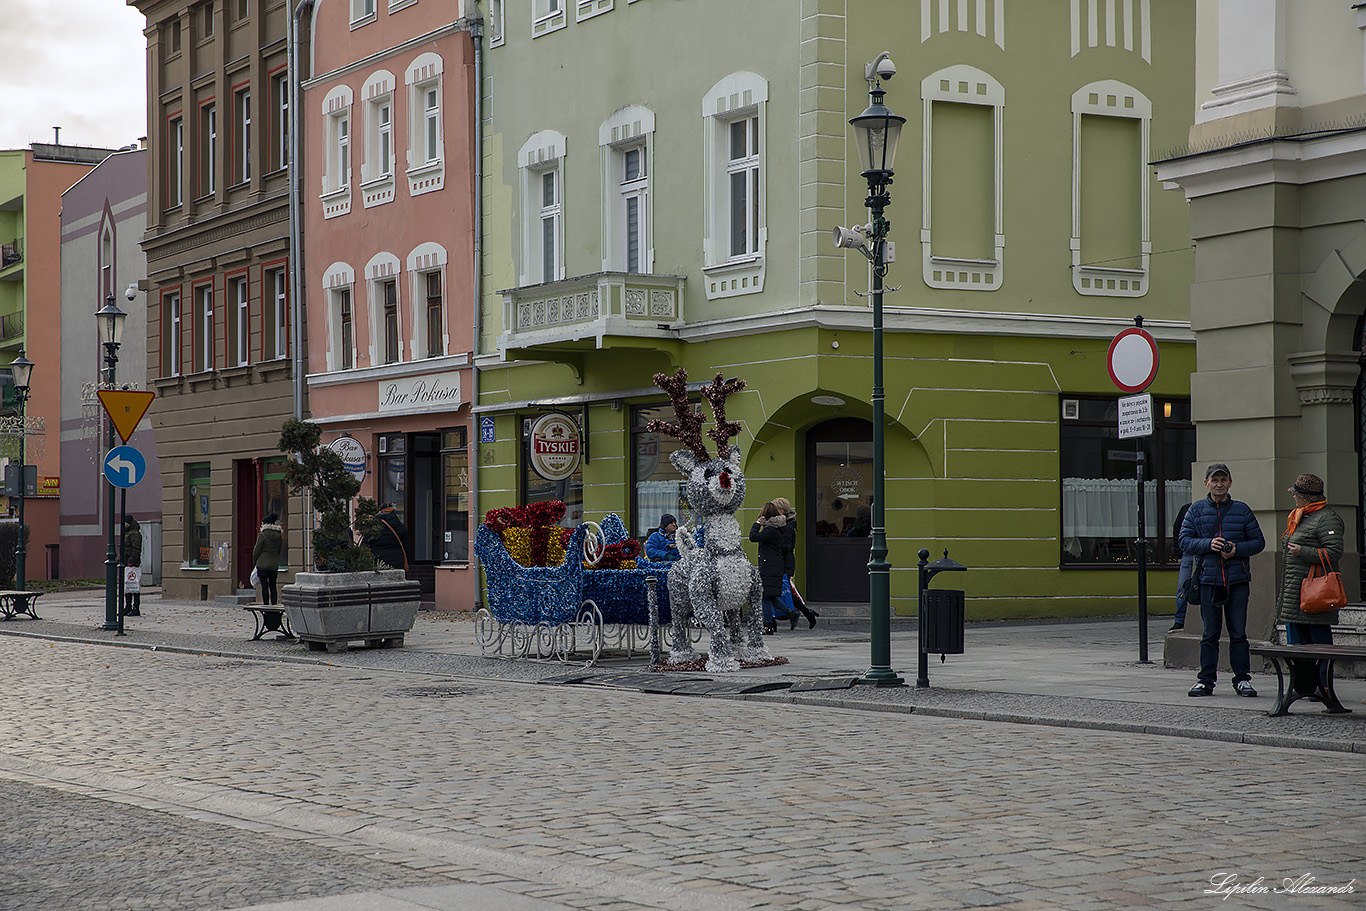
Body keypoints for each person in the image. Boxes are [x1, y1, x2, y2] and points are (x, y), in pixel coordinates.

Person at [1178, 463, 1266, 698]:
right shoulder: (1195, 510)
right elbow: (1184, 541)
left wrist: (1236, 549)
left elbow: (1258, 542)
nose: (1219, 484)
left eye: (1223, 480)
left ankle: (1242, 680)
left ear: (1230, 483)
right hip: (1208, 580)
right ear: (1206, 483)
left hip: (1237, 581)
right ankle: (1205, 681)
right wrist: (1208, 544)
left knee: (1238, 633)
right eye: (1214, 480)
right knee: (1210, 634)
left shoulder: (1242, 510)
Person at [1275, 473, 1344, 696]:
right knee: (1300, 644)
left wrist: (1303, 551)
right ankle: (1304, 686)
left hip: (1316, 592)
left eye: (1295, 494)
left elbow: (1334, 552)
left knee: (1319, 641)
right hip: (1297, 590)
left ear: (1305, 497)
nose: (1293, 498)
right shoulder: (1301, 515)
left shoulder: (1327, 518)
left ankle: (1323, 685)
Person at [772, 497, 817, 629]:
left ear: (780, 511)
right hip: (784, 562)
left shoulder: (786, 527)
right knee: (784, 591)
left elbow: (786, 546)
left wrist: (774, 545)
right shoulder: (785, 525)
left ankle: (790, 615)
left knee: (782, 591)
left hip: (784, 563)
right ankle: (807, 613)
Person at [750, 501, 794, 635]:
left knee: (765, 596)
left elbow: (753, 537)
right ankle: (790, 614)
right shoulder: (776, 528)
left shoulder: (770, 530)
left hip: (770, 567)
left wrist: (757, 524)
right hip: (772, 566)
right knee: (769, 596)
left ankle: (768, 626)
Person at [1169, 501, 1194, 632]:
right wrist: (1179, 554)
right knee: (1183, 587)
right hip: (1188, 552)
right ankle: (1180, 620)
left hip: (1207, 551)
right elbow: (1177, 531)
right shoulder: (1186, 509)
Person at [252, 512, 284, 606]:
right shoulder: (279, 536)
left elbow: (257, 550)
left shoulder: (263, 535)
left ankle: (266, 605)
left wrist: (255, 562)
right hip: (274, 564)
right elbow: (279, 550)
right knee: (273, 586)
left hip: (263, 564)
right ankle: (274, 604)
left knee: (264, 586)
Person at [368, 503, 408, 571]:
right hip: (397, 561)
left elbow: (366, 544)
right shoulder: (401, 526)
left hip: (379, 562)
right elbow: (406, 546)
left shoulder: (373, 527)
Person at [121, 515, 143, 616]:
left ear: (128, 523)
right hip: (127, 562)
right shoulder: (128, 533)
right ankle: (128, 606)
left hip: (132, 563)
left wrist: (131, 561)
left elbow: (136, 549)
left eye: (124, 522)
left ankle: (135, 607)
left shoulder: (134, 533)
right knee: (128, 585)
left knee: (134, 586)